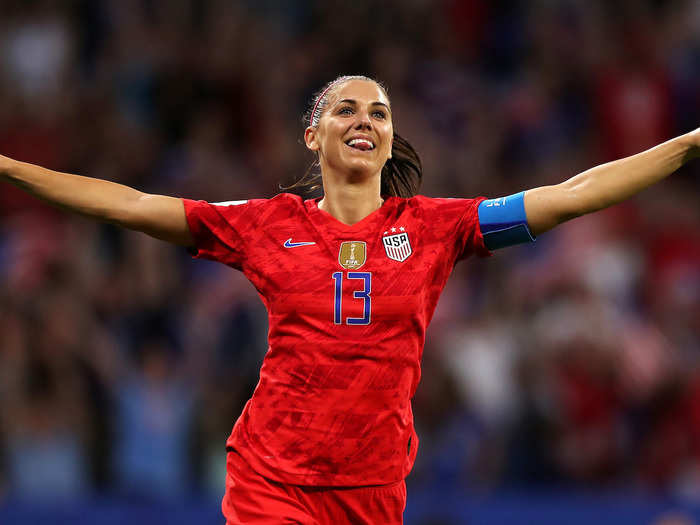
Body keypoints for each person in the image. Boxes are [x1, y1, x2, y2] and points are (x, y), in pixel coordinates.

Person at [1, 74, 698, 524]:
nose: (364, 119)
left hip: (372, 488)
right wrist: (7, 167)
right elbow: (129, 203)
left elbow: (569, 197)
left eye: (379, 111)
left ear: (391, 137)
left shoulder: (436, 228)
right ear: (314, 134)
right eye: (346, 108)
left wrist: (687, 145)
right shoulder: (266, 223)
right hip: (273, 475)